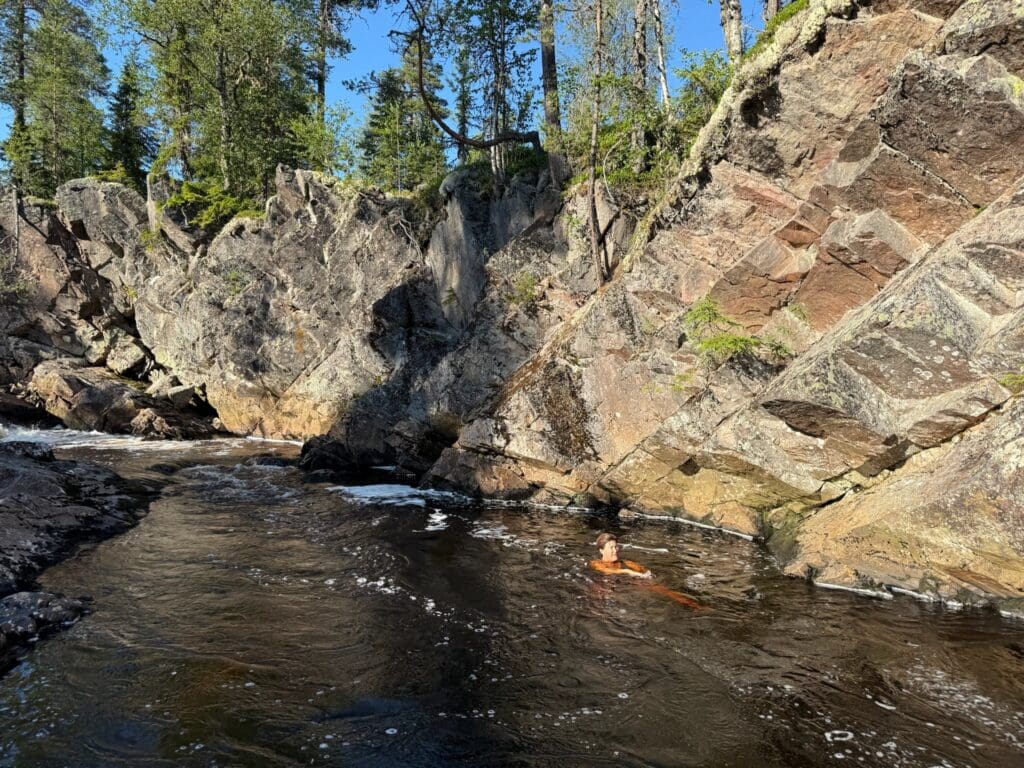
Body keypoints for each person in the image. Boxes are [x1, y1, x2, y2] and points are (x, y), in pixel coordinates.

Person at [589, 532, 704, 611]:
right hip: (605, 585)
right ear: (601, 550)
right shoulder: (596, 563)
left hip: (629, 584)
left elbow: (644, 571)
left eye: (616, 547)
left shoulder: (627, 563)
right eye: (611, 548)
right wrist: (627, 571)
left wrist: (646, 575)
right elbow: (605, 570)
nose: (615, 550)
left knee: (663, 589)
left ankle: (691, 604)